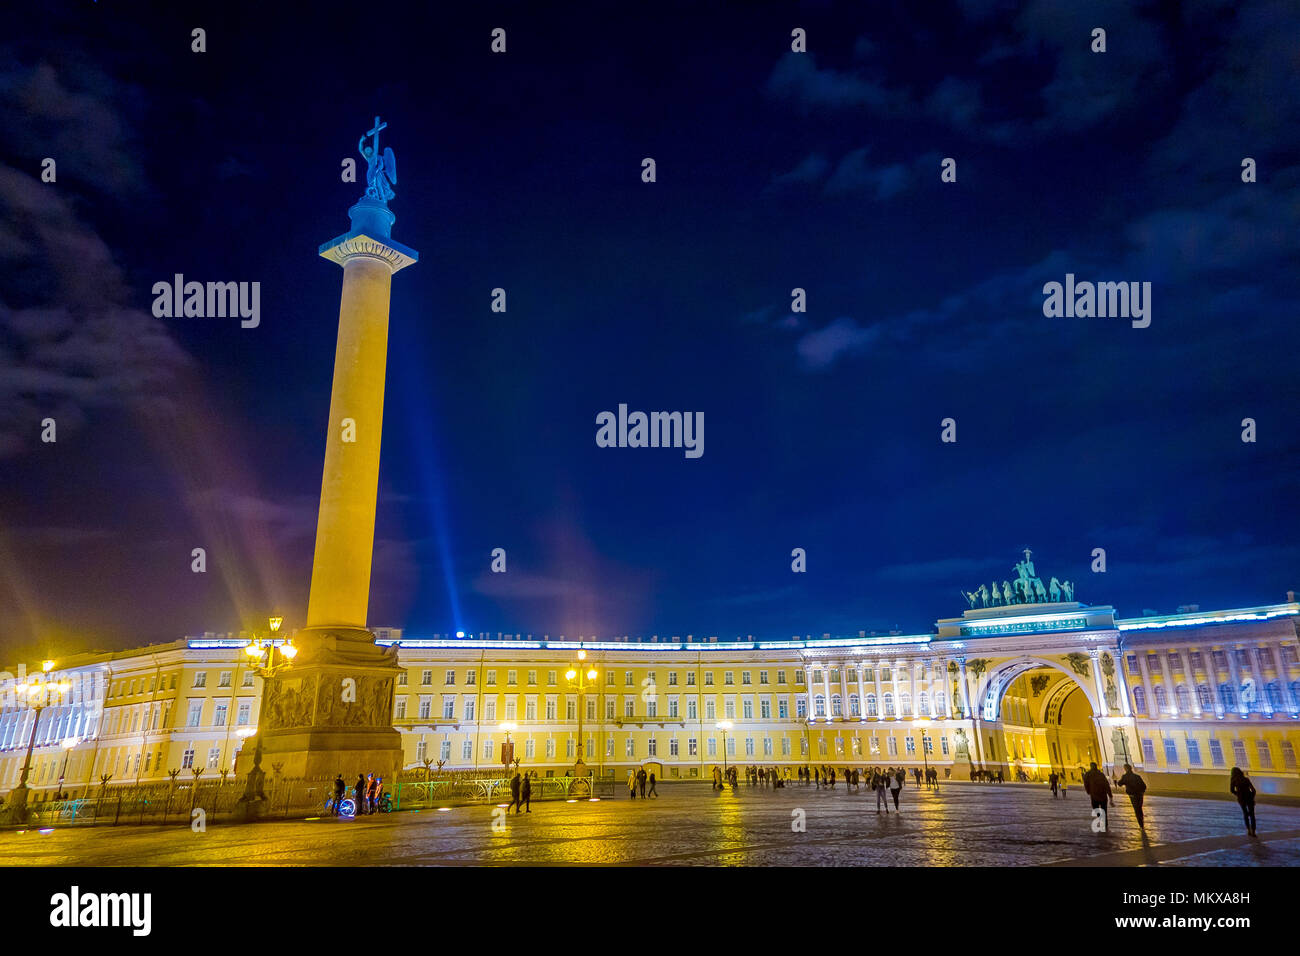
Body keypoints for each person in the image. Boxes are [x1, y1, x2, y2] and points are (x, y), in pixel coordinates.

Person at [1082, 762, 1112, 831]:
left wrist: (1088, 791)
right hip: (1103, 795)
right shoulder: (1101, 774)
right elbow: (1107, 785)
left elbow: (1085, 783)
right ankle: (1105, 822)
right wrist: (1110, 795)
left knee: (1096, 809)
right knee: (1104, 809)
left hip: (1094, 795)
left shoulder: (1088, 774)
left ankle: (1101, 820)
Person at [1116, 763, 1147, 829]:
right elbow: (1144, 786)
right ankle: (1141, 821)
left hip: (1132, 795)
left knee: (1136, 809)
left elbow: (1120, 784)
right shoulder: (1137, 776)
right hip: (1139, 795)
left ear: (1126, 769)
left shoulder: (1125, 777)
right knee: (1139, 808)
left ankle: (1140, 823)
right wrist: (1142, 792)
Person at [1230, 767, 1256, 837]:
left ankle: (1249, 830)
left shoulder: (1234, 780)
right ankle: (1253, 831)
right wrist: (1252, 797)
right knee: (1252, 815)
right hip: (1249, 798)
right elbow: (1253, 790)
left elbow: (1232, 790)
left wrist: (1238, 794)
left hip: (1241, 799)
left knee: (1245, 814)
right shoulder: (1246, 779)